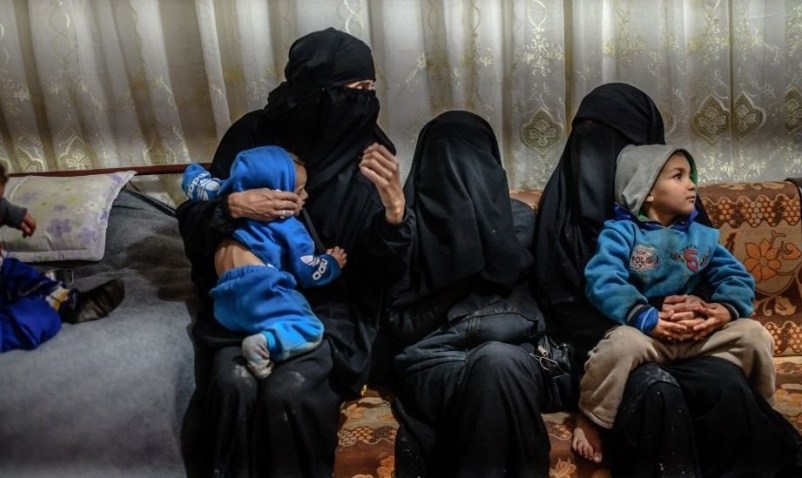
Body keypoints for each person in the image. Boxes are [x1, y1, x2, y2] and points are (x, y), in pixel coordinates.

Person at [176, 28, 414, 477]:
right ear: (317, 91)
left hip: (329, 313)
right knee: (231, 382)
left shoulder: (370, 150)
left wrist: (395, 215)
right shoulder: (252, 136)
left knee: (290, 393)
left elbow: (381, 272)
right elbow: (195, 216)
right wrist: (232, 207)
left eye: (370, 90)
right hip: (249, 303)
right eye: (356, 89)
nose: (366, 101)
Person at [533, 83, 802, 476]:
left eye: (620, 140)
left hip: (691, 340)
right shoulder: (562, 212)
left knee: (724, 384)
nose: (599, 151)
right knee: (656, 391)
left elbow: (715, 274)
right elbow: (559, 303)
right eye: (589, 134)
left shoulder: (686, 216)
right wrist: (648, 317)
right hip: (605, 349)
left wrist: (701, 309)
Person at [573, 143, 776, 463]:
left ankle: (761, 412)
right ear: (647, 192)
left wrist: (724, 310)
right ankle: (591, 418)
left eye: (691, 176)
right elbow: (603, 279)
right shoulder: (621, 233)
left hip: (698, 335)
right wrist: (645, 316)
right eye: (678, 176)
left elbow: (737, 278)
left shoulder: (703, 237)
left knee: (755, 335)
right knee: (619, 346)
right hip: (651, 337)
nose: (691, 185)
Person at [386, 111, 551, 478]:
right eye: (447, 157)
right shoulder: (406, 228)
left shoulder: (519, 222)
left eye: (472, 158)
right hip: (434, 361)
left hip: (511, 355)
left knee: (496, 362)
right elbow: (399, 327)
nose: (460, 171)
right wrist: (461, 266)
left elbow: (538, 314)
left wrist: (490, 243)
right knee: (495, 366)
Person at [0, 135, 125, 360]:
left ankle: (67, 301)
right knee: (39, 318)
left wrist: (14, 214)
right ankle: (50, 309)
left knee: (13, 269)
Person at [181, 145, 347, 379]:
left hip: (223, 302)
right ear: (279, 196)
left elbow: (198, 183)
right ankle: (264, 344)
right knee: (309, 327)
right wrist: (331, 263)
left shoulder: (227, 201)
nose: (306, 196)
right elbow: (308, 272)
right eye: (299, 191)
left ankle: (252, 338)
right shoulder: (289, 227)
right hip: (261, 288)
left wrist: (196, 173)